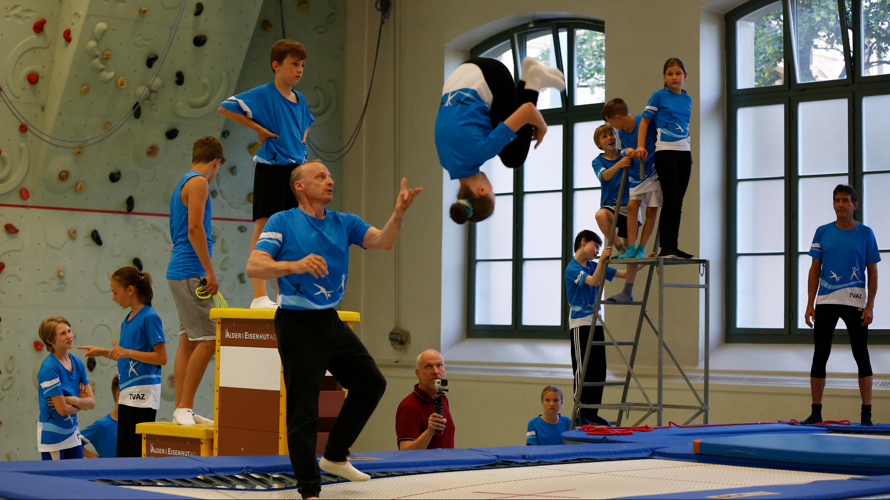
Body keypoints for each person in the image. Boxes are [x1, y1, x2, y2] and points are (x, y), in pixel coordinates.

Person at [246, 160, 421, 499]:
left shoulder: (344, 222)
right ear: (299, 186)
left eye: (330, 175)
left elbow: (383, 241)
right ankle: (310, 489)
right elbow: (255, 265)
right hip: (296, 323)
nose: (330, 181)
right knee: (304, 409)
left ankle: (335, 455)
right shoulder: (283, 221)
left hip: (329, 320)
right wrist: (294, 265)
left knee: (371, 383)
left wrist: (398, 213)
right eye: (321, 176)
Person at [219, 39, 314, 309]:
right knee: (264, 228)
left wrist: (302, 137)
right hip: (271, 169)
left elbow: (307, 122)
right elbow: (225, 107)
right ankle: (259, 295)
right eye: (294, 64)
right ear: (276, 65)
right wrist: (258, 128)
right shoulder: (264, 93)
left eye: (302, 64)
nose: (300, 69)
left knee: (290, 232)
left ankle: (285, 295)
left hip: (295, 172)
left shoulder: (300, 100)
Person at [437, 56, 565, 224]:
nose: (492, 187)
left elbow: (528, 110)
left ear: (481, 190)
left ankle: (533, 80)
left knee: (513, 158)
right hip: (460, 74)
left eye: (493, 192)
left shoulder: (481, 151)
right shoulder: (445, 161)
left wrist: (542, 127)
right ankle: (529, 76)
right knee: (506, 147)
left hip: (491, 75)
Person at [802, 185, 879, 426]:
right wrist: (810, 304)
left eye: (845, 200)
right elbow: (814, 270)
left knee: (861, 354)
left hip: (855, 302)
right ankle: (816, 412)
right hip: (826, 301)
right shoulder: (822, 232)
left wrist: (870, 306)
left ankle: (866, 415)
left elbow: (873, 272)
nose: (841, 204)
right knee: (820, 354)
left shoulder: (866, 233)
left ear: (855, 204)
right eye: (837, 200)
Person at [164, 136, 224, 427]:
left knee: (188, 340)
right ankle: (185, 405)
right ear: (217, 163)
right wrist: (209, 272)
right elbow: (195, 229)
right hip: (191, 270)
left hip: (180, 270)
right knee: (210, 339)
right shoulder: (199, 182)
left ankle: (181, 409)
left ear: (193, 159)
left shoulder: (183, 181)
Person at [80, 267, 167, 457]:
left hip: (143, 394)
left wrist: (127, 352)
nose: (113, 298)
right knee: (124, 455)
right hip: (127, 392)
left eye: (115, 292)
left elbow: (161, 357)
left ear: (130, 290)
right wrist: (102, 352)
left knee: (135, 455)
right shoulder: (127, 320)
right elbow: (126, 356)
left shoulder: (149, 316)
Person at [566, 230, 626, 427]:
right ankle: (579, 411)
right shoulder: (572, 268)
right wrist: (602, 261)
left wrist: (643, 261)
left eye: (600, 248)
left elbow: (624, 274)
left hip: (596, 322)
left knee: (599, 370)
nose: (597, 252)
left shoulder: (594, 265)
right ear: (583, 242)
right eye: (596, 247)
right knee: (583, 370)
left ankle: (592, 412)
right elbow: (593, 281)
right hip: (580, 323)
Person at [634, 58, 693, 259]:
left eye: (678, 73)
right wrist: (640, 145)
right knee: (670, 199)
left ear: (685, 76)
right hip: (665, 152)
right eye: (670, 74)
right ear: (664, 77)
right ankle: (665, 246)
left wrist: (689, 151)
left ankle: (673, 246)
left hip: (684, 152)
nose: (674, 77)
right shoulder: (659, 96)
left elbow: (684, 126)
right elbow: (644, 121)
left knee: (679, 201)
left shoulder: (687, 99)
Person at [603, 98, 661, 264]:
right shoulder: (622, 133)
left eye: (611, 122)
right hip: (636, 174)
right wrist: (627, 151)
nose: (612, 126)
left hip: (653, 171)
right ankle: (631, 248)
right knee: (631, 206)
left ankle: (641, 248)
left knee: (651, 210)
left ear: (618, 117)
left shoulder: (644, 122)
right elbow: (625, 150)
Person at [591, 124, 640, 303]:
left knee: (632, 250)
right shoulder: (597, 161)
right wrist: (619, 165)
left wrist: (631, 154)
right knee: (600, 215)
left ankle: (628, 290)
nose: (610, 138)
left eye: (612, 134)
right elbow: (604, 176)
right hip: (611, 205)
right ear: (599, 144)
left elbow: (636, 156)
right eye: (605, 137)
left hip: (631, 206)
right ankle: (621, 249)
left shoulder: (625, 153)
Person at [37, 316, 95, 460]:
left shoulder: (78, 363)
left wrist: (72, 400)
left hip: (72, 432)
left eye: (69, 331)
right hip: (53, 435)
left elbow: (91, 403)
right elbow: (62, 410)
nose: (70, 336)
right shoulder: (49, 368)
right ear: (50, 341)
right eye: (63, 333)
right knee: (55, 475)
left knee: (78, 471)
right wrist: (80, 404)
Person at [395, 349, 455, 450]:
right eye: (428, 366)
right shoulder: (409, 406)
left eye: (439, 365)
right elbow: (405, 452)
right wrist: (429, 432)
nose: (435, 371)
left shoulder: (442, 399)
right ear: (418, 373)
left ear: (445, 370)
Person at [81, 375, 119, 458]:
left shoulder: (136, 425)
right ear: (118, 396)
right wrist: (98, 460)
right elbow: (75, 443)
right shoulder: (102, 426)